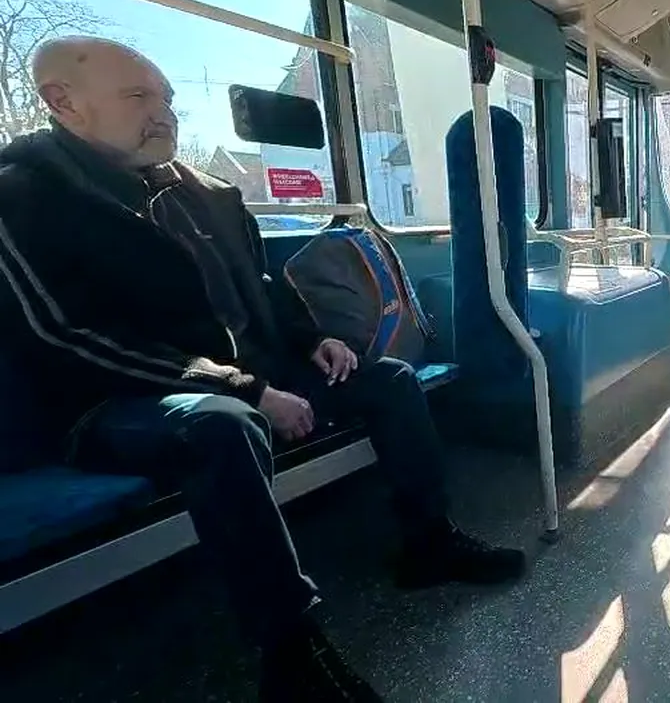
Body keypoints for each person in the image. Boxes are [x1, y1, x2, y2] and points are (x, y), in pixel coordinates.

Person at [0, 36, 523, 702]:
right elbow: (62, 336)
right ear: (63, 102)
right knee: (221, 426)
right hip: (119, 402)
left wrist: (312, 340)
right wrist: (246, 389)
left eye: (167, 99)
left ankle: (429, 541)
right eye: (138, 97)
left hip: (251, 378)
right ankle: (291, 652)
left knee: (388, 380)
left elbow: (264, 288)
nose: (164, 114)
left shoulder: (208, 194)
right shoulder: (24, 198)